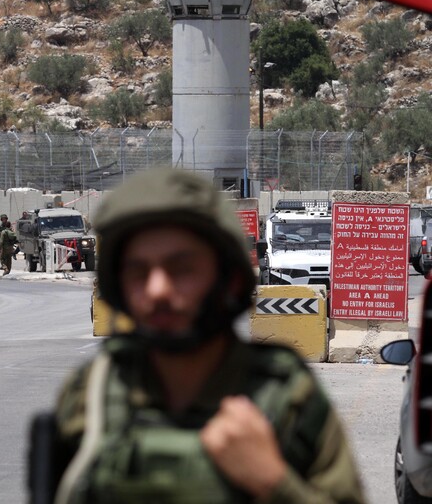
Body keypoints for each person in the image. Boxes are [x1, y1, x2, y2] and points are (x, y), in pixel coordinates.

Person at [30, 167, 365, 504]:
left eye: (182, 269)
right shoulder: (93, 394)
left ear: (228, 280)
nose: (158, 289)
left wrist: (272, 482)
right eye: (138, 271)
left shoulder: (285, 395)